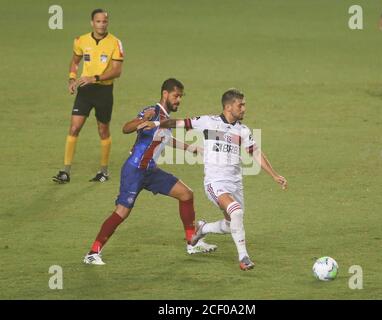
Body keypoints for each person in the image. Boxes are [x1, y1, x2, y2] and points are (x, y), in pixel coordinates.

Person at [138, 89, 288, 271]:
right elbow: (177, 122)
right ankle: (244, 257)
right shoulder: (208, 122)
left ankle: (203, 229)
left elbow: (255, 152)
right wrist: (155, 123)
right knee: (237, 212)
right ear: (228, 107)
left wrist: (274, 174)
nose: (244, 108)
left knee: (230, 224)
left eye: (244, 104)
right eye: (240, 105)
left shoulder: (243, 130)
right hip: (215, 183)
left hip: (235, 184)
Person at [83, 78, 217, 265]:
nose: (178, 100)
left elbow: (165, 139)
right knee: (122, 212)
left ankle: (191, 242)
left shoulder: (164, 117)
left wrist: (193, 148)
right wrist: (142, 120)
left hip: (150, 171)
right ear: (165, 94)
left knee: (186, 195)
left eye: (180, 97)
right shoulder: (153, 112)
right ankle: (92, 253)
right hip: (135, 170)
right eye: (176, 95)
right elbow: (126, 128)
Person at [53, 9, 124, 183]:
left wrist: (95, 78)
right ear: (92, 23)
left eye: (104, 21)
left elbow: (117, 71)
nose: (101, 24)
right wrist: (71, 78)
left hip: (104, 92)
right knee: (74, 128)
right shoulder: (80, 40)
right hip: (85, 91)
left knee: (103, 130)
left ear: (107, 23)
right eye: (98, 21)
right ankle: (65, 171)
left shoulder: (115, 43)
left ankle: (103, 172)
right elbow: (75, 61)